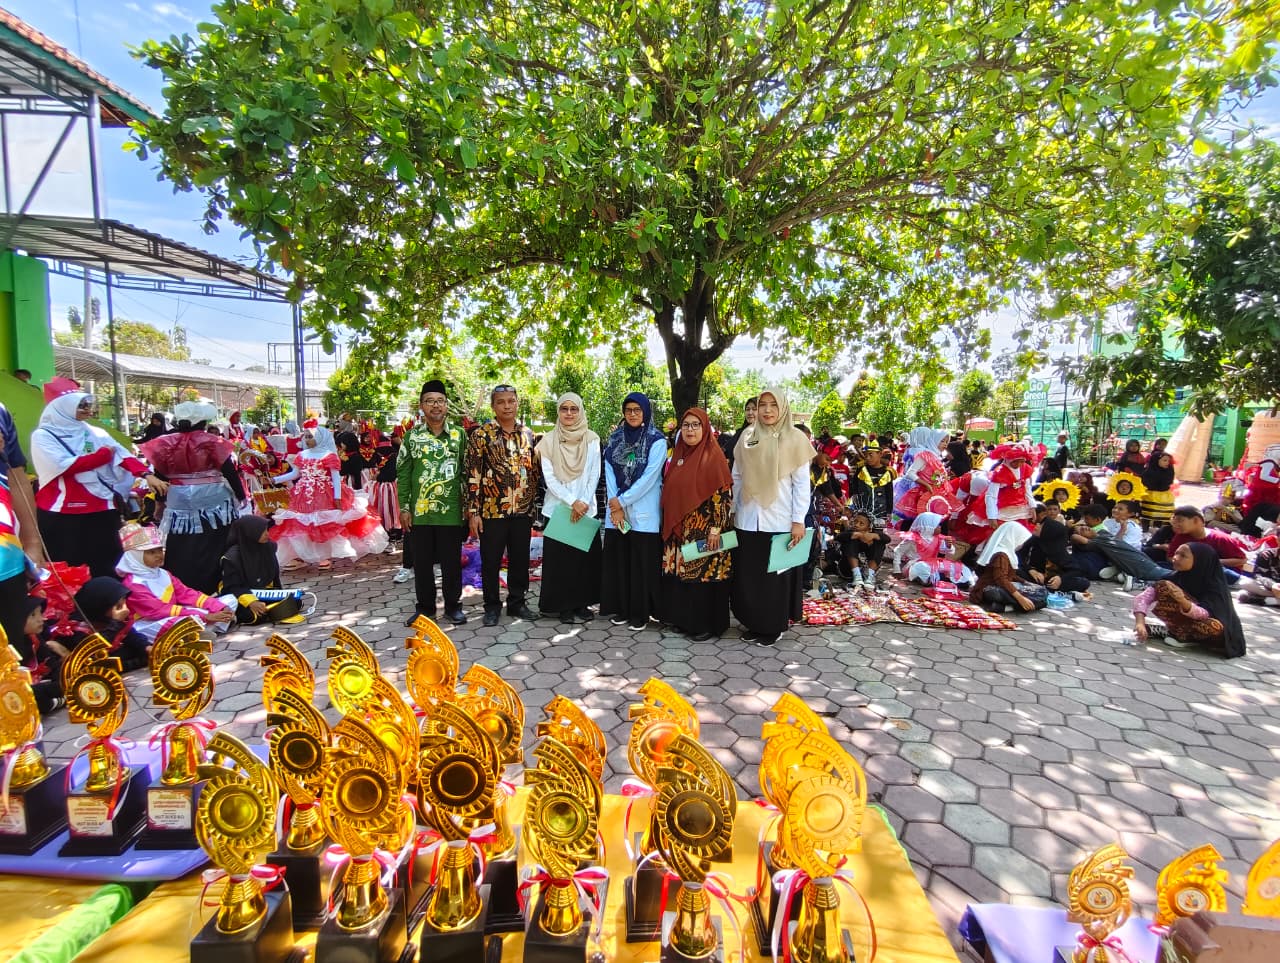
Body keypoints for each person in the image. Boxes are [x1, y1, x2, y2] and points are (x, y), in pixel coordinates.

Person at [31, 381, 166, 577]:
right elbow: (61, 465)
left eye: (87, 404)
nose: (87, 409)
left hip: (102, 510)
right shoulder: (43, 436)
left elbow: (122, 455)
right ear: (62, 407)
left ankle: (112, 606)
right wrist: (101, 456)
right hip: (62, 514)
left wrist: (147, 475)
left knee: (108, 565)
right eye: (81, 405)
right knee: (68, 568)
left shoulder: (94, 432)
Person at [731, 387, 812, 647]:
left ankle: (772, 627)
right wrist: (732, 508)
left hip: (779, 519)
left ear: (783, 408)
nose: (766, 410)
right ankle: (753, 622)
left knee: (774, 578)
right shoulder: (747, 436)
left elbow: (801, 485)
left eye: (772, 405)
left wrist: (798, 520)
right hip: (747, 517)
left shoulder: (795, 439)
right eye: (762, 404)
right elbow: (737, 476)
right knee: (750, 575)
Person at [140, 401, 244, 594]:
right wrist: (241, 495)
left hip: (178, 499)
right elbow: (229, 471)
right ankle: (215, 584)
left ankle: (183, 586)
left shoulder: (166, 442)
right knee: (214, 540)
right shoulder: (211, 441)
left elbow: (160, 477)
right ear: (203, 422)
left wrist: (160, 503)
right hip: (213, 501)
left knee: (181, 542)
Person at [466, 384, 541, 626]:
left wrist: (533, 506)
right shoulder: (481, 435)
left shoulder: (528, 435)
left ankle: (517, 603)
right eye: (501, 402)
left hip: (522, 510)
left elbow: (535, 473)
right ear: (493, 406)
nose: (507, 406)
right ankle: (491, 606)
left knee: (520, 559)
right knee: (491, 560)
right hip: (491, 511)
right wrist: (473, 512)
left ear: (518, 403)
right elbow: (473, 475)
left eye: (511, 401)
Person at [397, 380, 468, 626]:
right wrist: (404, 508)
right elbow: (404, 474)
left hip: (451, 511)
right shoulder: (411, 437)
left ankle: (453, 606)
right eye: (430, 401)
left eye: (439, 401)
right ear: (422, 406)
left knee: (452, 564)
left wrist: (468, 508)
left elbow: (466, 473)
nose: (435, 406)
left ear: (446, 405)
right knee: (422, 564)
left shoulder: (460, 435)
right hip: (420, 512)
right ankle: (425, 609)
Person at [658, 407, 733, 640]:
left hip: (705, 529)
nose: (690, 430)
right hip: (682, 531)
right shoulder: (679, 456)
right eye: (686, 425)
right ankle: (685, 621)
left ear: (705, 428)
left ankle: (707, 626)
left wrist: (715, 529)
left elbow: (723, 496)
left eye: (696, 425)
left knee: (704, 579)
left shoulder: (714, 457)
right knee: (684, 579)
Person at [272, 424, 388, 571]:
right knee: (300, 524)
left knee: (325, 524)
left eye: (310, 436)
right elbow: (295, 474)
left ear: (320, 437)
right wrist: (275, 480)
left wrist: (338, 497)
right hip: (303, 494)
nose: (307, 440)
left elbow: (335, 478)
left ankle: (323, 557)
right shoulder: (301, 455)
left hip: (324, 494)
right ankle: (300, 555)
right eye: (306, 436)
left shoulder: (329, 456)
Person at [600, 393, 667, 630]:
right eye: (628, 409)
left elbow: (649, 478)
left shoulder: (656, 440)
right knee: (622, 562)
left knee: (642, 565)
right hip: (617, 511)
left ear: (646, 412)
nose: (633, 414)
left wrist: (622, 500)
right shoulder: (615, 438)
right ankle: (623, 609)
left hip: (643, 512)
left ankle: (641, 614)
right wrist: (615, 504)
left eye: (638, 409)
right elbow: (608, 472)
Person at [535, 393, 602, 622]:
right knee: (561, 562)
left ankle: (581, 605)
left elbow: (595, 473)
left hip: (585, 507)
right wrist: (573, 501)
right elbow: (549, 478)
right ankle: (563, 606)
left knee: (582, 561)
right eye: (564, 409)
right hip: (559, 509)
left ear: (580, 411)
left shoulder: (592, 439)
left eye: (574, 409)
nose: (569, 413)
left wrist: (582, 501)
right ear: (558, 412)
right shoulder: (548, 440)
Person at [115, 522, 236, 640]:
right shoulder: (132, 583)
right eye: (151, 552)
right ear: (135, 555)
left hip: (171, 615)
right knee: (186, 621)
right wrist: (206, 616)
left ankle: (197, 633)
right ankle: (200, 631)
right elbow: (158, 611)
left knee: (230, 600)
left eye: (159, 550)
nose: (159, 555)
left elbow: (187, 594)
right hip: (148, 624)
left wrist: (219, 607)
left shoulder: (163, 573)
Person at [1132, 543, 1246, 657]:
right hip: (1186, 622)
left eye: (1183, 556)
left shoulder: (1215, 586)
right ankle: (1174, 632)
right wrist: (1140, 622)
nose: (1175, 558)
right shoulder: (1174, 578)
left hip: (1206, 630)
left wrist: (1183, 601)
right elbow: (1143, 598)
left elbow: (1205, 615)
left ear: (1199, 560)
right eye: (1176, 553)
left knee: (1214, 626)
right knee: (1163, 586)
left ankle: (1185, 637)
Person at [68, 576, 151, 671]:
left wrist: (147, 647)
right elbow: (99, 660)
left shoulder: (115, 623)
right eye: (118, 606)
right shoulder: (76, 632)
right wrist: (116, 623)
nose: (125, 610)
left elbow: (131, 635)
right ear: (100, 607)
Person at [969, 521, 1045, 612]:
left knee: (1041, 592)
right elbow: (1001, 579)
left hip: (1000, 587)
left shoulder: (1008, 552)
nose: (1021, 544)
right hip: (990, 589)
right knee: (995, 593)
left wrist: (1026, 583)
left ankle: (1005, 608)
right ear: (1013, 537)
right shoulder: (1001, 554)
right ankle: (1012, 606)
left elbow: (1010, 576)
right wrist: (1020, 598)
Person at [892, 512, 974, 587]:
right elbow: (898, 551)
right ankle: (936, 578)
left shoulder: (938, 538)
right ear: (928, 526)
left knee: (958, 566)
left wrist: (949, 546)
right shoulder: (913, 538)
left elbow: (948, 552)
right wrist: (897, 570)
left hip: (934, 563)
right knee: (921, 567)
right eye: (937, 525)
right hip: (916, 564)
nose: (940, 527)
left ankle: (956, 580)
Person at [1167, 506, 1246, 583]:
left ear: (1196, 520)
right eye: (1174, 520)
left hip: (1218, 573)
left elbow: (1242, 560)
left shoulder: (1221, 538)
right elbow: (1170, 557)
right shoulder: (1180, 536)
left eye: (1180, 520)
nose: (1176, 524)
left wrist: (1211, 562)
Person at [1024, 516, 1090, 595]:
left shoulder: (1057, 549)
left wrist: (1060, 579)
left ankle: (1046, 588)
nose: (1037, 526)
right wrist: (1031, 570)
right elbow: (1018, 558)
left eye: (1041, 525)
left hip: (1048, 579)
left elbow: (1076, 570)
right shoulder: (1032, 541)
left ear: (1048, 531)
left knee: (1083, 582)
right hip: (1032, 575)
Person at [848, 439, 896, 526]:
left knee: (877, 534)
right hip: (862, 510)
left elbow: (889, 492)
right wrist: (853, 499)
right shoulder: (861, 469)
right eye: (865, 455)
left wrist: (889, 511)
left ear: (880, 454)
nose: (867, 458)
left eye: (871, 455)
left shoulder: (887, 472)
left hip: (880, 510)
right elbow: (854, 485)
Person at [1241, 444, 1280, 536]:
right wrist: (1277, 480)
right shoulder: (1269, 462)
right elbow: (1264, 476)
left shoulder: (1273, 465)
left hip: (1268, 492)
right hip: (1262, 493)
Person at [1140, 451, 1177, 528]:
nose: (1167, 463)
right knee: (1147, 515)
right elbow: (1145, 483)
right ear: (1156, 461)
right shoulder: (1148, 472)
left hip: (1164, 496)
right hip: (1150, 496)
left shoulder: (1169, 471)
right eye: (1164, 460)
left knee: (1161, 516)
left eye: (1168, 461)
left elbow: (1169, 483)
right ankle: (1144, 530)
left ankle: (1157, 529)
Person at [720, 397, 757, 467]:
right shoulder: (741, 432)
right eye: (747, 409)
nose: (750, 412)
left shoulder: (765, 435)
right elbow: (726, 449)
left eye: (754, 409)